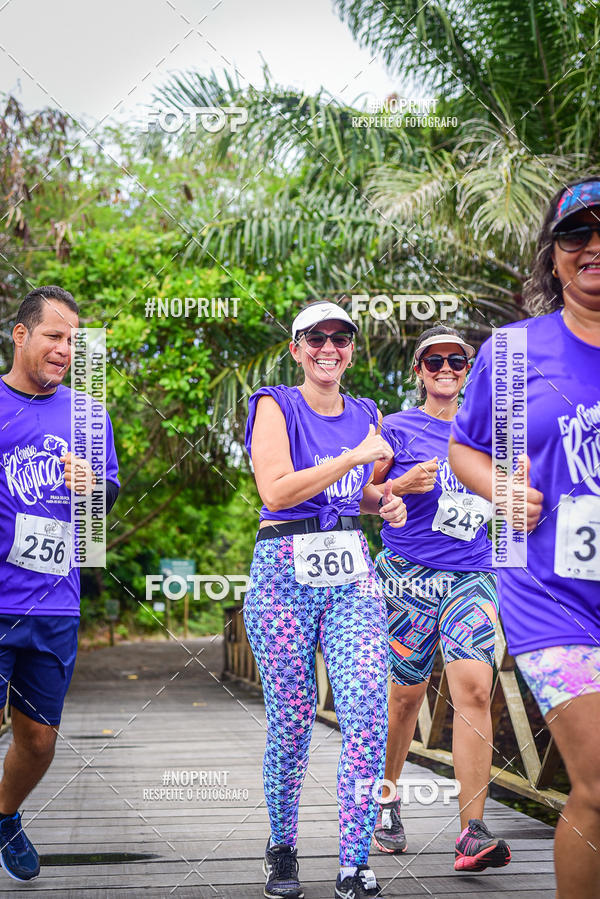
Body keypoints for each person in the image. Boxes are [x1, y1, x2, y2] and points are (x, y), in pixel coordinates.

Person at [449, 177, 600, 899]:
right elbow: (465, 447)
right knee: (598, 780)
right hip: (551, 597)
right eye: (577, 235)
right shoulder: (514, 354)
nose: (594, 247)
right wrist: (500, 487)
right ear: (554, 255)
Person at [244, 300, 407, 899]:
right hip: (283, 567)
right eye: (316, 338)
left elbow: (357, 493)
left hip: (349, 570)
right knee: (292, 720)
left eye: (341, 338)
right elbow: (279, 491)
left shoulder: (365, 411)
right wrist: (357, 458)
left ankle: (354, 860)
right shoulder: (274, 403)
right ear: (297, 348)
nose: (328, 347)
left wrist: (386, 501)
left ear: (352, 350)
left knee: (366, 707)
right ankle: (283, 849)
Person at [371, 325, 511, 872]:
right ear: (418, 371)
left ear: (469, 368)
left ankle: (471, 832)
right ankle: (385, 800)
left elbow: (520, 503)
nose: (446, 368)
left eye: (457, 360)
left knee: (475, 690)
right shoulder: (396, 428)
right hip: (409, 575)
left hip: (471, 574)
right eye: (434, 361)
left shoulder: (492, 434)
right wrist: (400, 491)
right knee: (405, 697)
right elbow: (367, 497)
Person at [0, 286, 120, 882]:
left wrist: (92, 485)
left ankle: (4, 816)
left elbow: (107, 504)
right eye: (54, 336)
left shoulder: (88, 415)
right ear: (21, 335)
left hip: (54, 604)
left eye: (73, 340)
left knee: (40, 742)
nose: (65, 350)